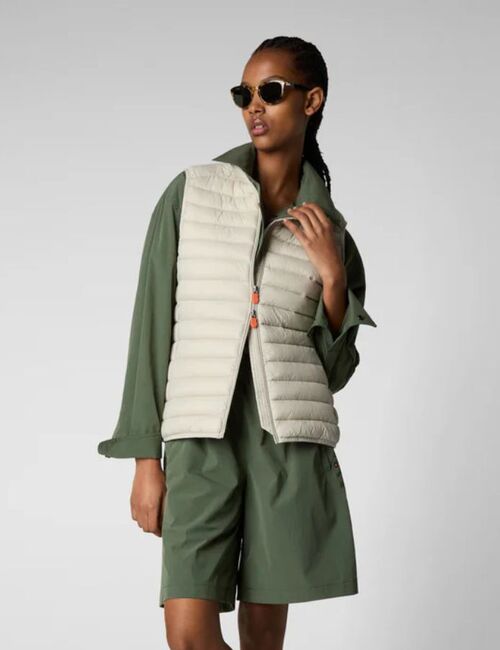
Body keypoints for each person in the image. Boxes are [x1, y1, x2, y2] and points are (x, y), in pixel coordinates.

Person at [97, 35, 377, 650]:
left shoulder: (332, 235)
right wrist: (146, 461)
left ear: (311, 101)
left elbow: (334, 371)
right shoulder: (192, 195)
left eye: (271, 92)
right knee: (188, 635)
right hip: (200, 438)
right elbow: (151, 328)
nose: (254, 106)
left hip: (285, 448)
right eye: (244, 93)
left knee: (263, 643)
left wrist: (333, 278)